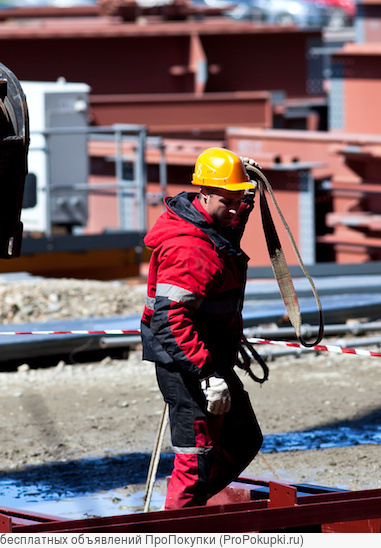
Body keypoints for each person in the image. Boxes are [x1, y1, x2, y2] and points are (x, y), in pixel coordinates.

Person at [140, 147, 264, 510]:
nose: (236, 209)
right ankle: (178, 524)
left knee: (242, 438)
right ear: (204, 193)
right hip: (189, 367)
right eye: (229, 201)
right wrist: (207, 375)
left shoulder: (212, 226)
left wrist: (247, 190)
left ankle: (188, 513)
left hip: (211, 359)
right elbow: (169, 320)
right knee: (195, 459)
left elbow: (230, 226)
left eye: (239, 200)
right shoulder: (190, 249)